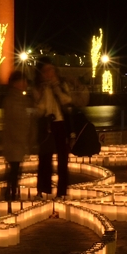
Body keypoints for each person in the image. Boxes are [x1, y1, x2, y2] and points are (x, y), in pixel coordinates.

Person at [34, 59, 75, 199]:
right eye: (45, 70)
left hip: (61, 123)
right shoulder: (40, 87)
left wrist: (56, 89)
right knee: (44, 158)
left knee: (63, 159)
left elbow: (67, 101)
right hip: (47, 124)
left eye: (51, 69)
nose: (49, 73)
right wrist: (42, 96)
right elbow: (39, 110)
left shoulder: (61, 85)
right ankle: (42, 189)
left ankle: (61, 192)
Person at [1, 70, 31, 201]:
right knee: (15, 169)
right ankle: (11, 193)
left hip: (16, 141)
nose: (25, 83)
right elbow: (14, 121)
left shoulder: (17, 98)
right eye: (23, 81)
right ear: (16, 83)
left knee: (15, 169)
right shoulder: (14, 100)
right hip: (15, 141)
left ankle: (11, 191)